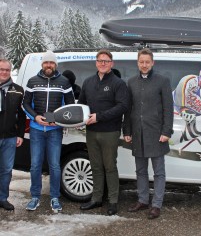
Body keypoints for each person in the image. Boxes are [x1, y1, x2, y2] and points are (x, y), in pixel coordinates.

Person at [123, 48, 174, 219]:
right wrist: (127, 130)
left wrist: (167, 131)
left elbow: (168, 108)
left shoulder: (162, 81)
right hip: (138, 133)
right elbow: (128, 109)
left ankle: (156, 204)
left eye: (147, 62)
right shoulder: (131, 82)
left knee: (159, 171)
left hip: (157, 133)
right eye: (141, 62)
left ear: (153, 63)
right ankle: (143, 200)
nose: (144, 65)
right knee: (140, 170)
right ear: (137, 63)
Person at [78, 49, 129, 216]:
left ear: (111, 63)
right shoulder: (88, 82)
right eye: (100, 60)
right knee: (96, 166)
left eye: (106, 61)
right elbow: (82, 104)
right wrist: (81, 119)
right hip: (91, 131)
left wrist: (99, 117)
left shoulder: (118, 83)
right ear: (96, 62)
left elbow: (122, 107)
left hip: (110, 132)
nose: (103, 63)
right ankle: (96, 198)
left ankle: (113, 201)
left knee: (109, 166)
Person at [23, 50, 75, 212]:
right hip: (37, 129)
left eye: (51, 63)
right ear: (42, 64)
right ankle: (35, 197)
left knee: (54, 165)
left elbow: (70, 106)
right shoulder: (32, 82)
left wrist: (59, 120)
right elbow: (25, 104)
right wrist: (35, 117)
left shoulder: (64, 82)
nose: (49, 65)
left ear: (55, 65)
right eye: (46, 62)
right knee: (35, 165)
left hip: (55, 130)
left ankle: (54, 197)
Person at [0, 59, 25, 211]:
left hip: (10, 137)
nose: (4, 72)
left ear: (10, 71)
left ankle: (3, 198)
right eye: (1, 69)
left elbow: (22, 115)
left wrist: (20, 134)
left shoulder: (18, 90)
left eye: (7, 70)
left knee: (7, 170)